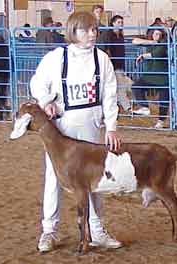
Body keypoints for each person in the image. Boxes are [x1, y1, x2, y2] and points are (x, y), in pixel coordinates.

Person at [30, 11, 122, 252]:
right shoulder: (56, 58)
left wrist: (111, 127)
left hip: (92, 125)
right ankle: (49, 230)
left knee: (94, 179)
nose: (91, 34)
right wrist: (44, 100)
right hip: (63, 127)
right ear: (73, 31)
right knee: (55, 178)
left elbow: (110, 95)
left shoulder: (102, 59)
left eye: (94, 29)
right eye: (85, 29)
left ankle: (97, 229)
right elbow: (37, 83)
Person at [132, 28, 169, 129]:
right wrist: (151, 42)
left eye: (159, 34)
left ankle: (161, 122)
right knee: (136, 86)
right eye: (155, 33)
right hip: (150, 75)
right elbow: (134, 41)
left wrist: (143, 55)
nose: (156, 35)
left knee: (164, 100)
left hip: (163, 75)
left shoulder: (164, 43)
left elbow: (156, 54)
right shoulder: (151, 42)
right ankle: (144, 107)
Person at [97, 15, 132, 112]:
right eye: (118, 22)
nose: (120, 24)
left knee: (120, 86)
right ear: (113, 23)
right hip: (110, 65)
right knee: (116, 87)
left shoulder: (120, 35)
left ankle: (124, 107)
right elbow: (103, 48)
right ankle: (126, 107)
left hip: (118, 64)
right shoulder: (107, 34)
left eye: (121, 22)